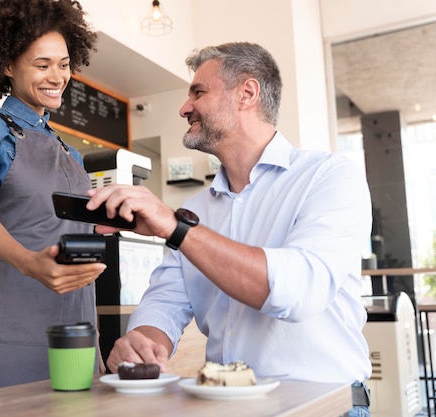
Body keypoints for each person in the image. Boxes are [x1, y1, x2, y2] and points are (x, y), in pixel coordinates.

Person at [87, 42, 372, 417]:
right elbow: (166, 302)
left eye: (198, 92)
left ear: (247, 93)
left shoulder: (329, 177)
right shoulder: (198, 209)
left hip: (323, 408)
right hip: (225, 406)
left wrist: (175, 227)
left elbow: (299, 289)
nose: (184, 108)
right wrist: (143, 341)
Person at [0, 0, 106, 393]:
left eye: (64, 64)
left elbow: (65, 227)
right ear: (7, 65)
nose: (58, 76)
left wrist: (114, 220)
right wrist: (32, 264)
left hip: (78, 332)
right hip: (11, 332)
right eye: (42, 65)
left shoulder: (70, 152)